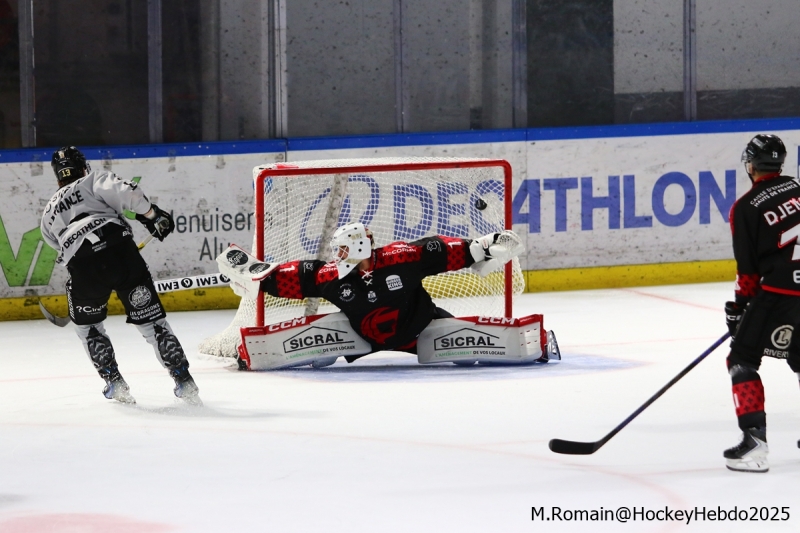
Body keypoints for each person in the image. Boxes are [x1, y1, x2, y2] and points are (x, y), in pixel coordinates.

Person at [220, 222, 541, 366]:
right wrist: (257, 276)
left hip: (422, 328)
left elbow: (446, 252)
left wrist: (483, 247)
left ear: (360, 245)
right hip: (360, 337)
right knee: (319, 362)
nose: (338, 254)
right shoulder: (331, 276)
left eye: (343, 248)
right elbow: (291, 278)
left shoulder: (403, 257)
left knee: (468, 357)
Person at [40, 146, 201, 405]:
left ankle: (115, 384)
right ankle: (184, 381)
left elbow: (58, 246)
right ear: (83, 167)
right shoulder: (93, 179)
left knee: (89, 328)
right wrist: (152, 215)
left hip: (82, 265)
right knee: (153, 324)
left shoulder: (47, 213)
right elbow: (128, 192)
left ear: (57, 176)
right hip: (121, 252)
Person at [723, 133, 800, 472]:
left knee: (742, 358)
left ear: (750, 165)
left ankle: (754, 444)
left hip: (780, 294)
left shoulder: (746, 207)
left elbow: (748, 272)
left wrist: (741, 309)